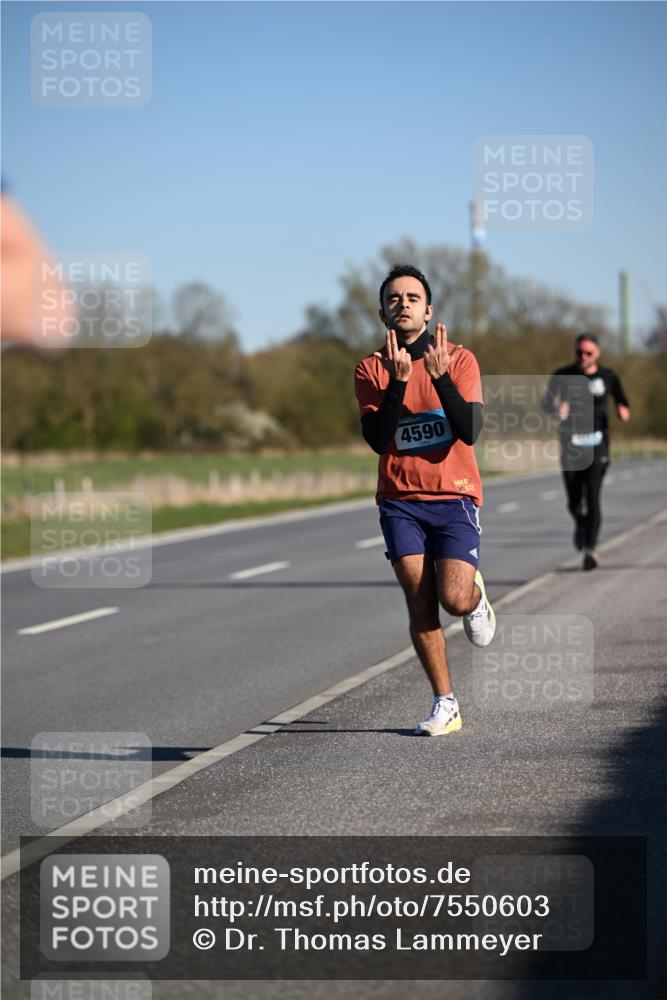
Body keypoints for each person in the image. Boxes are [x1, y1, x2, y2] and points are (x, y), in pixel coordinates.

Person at [354, 263, 495, 737]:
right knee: (419, 599)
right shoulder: (370, 369)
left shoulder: (459, 359)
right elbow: (377, 438)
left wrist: (439, 379)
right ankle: (445, 702)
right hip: (400, 500)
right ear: (382, 312)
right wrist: (397, 382)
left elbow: (470, 430)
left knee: (453, 598)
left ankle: (476, 601)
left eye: (413, 298)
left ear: (429, 309)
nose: (404, 304)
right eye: (394, 299)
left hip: (453, 496)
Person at [544, 333, 630, 571]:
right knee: (573, 502)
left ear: (598, 353)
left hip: (597, 446)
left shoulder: (609, 376)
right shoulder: (562, 375)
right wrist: (556, 410)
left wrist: (623, 411)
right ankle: (581, 525)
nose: (583, 357)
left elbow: (622, 401)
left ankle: (590, 550)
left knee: (592, 497)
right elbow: (546, 403)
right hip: (570, 445)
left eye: (588, 353)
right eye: (580, 352)